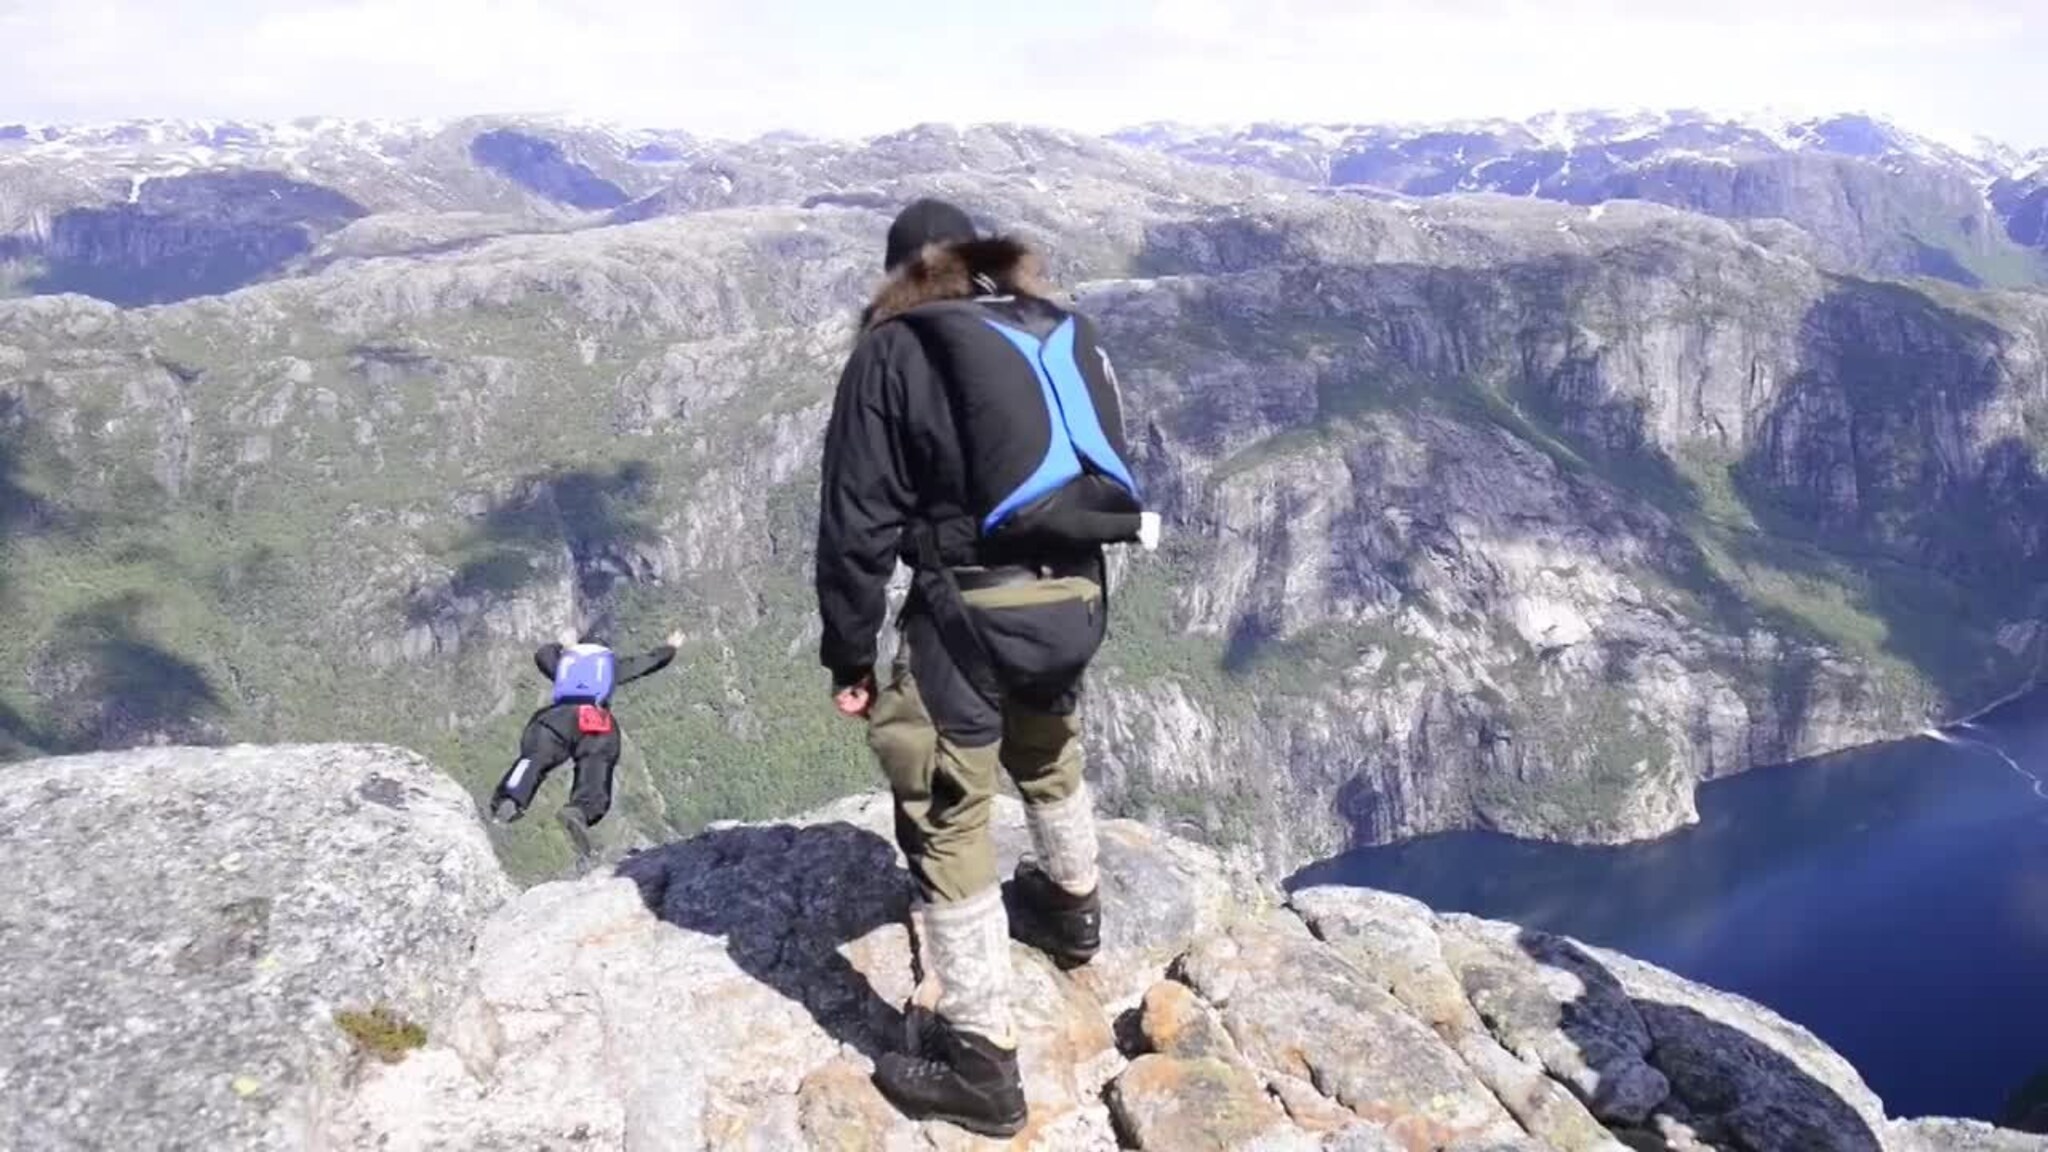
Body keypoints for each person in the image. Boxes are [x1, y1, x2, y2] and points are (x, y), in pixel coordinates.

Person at [814, 198, 1160, 1137]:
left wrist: (849, 656)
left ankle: (981, 1064)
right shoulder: (1051, 329)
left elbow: (857, 529)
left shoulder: (895, 350)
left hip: (968, 613)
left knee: (946, 807)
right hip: (1076, 599)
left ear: (899, 274)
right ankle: (1071, 912)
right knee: (1049, 747)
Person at [490, 626, 683, 862]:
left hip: (555, 719)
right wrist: (670, 647)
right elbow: (649, 662)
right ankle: (580, 811)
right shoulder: (610, 664)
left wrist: (563, 646)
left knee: (533, 759)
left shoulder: (566, 662)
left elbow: (542, 655)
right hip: (594, 720)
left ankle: (511, 798)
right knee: (597, 765)